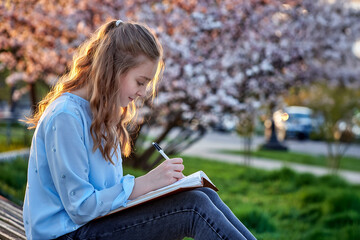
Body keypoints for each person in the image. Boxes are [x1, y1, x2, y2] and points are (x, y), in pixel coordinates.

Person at [23, 19, 257, 240]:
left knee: (203, 195)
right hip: (66, 234)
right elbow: (81, 207)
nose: (143, 93)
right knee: (194, 208)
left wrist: (162, 189)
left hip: (90, 227)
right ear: (113, 71)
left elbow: (107, 196)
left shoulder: (102, 113)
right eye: (140, 81)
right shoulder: (66, 116)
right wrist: (146, 183)